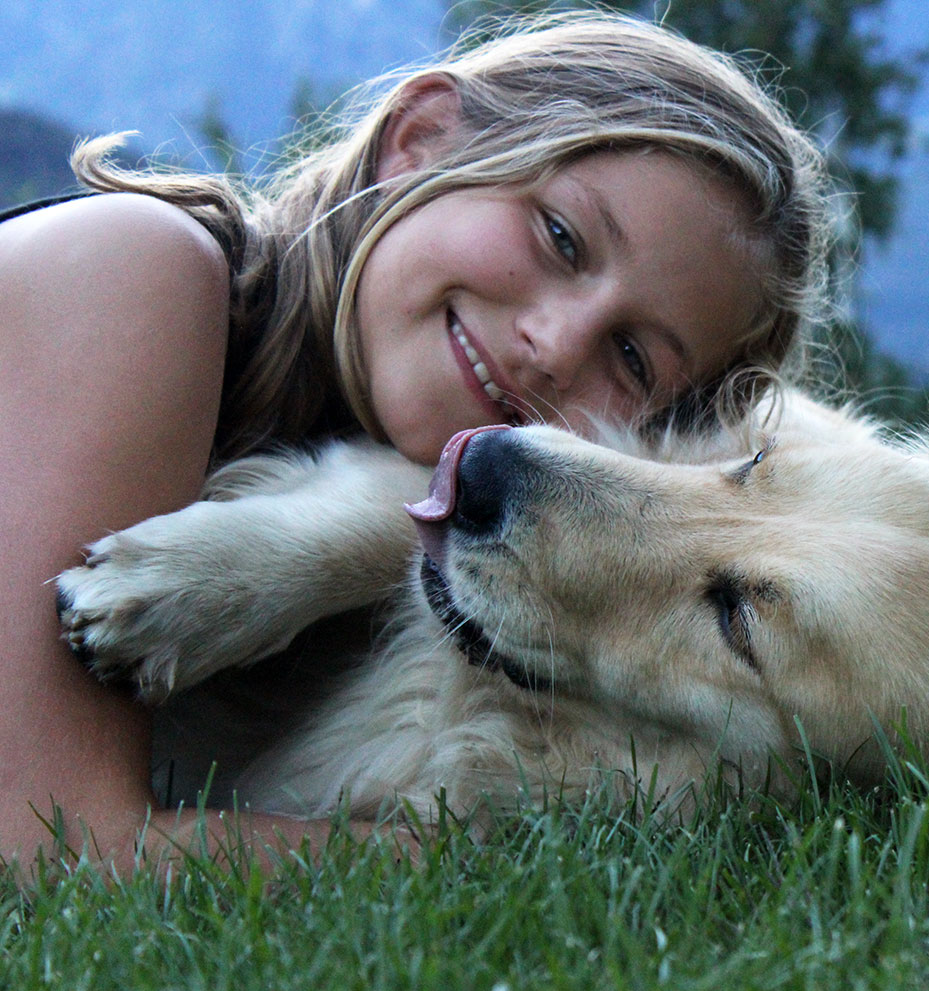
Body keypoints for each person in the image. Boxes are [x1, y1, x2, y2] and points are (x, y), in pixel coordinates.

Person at [0, 11, 835, 873]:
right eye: (560, 237)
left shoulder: (426, 597)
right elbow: (41, 843)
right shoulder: (138, 268)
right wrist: (468, 860)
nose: (554, 343)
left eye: (630, 357)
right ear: (422, 140)